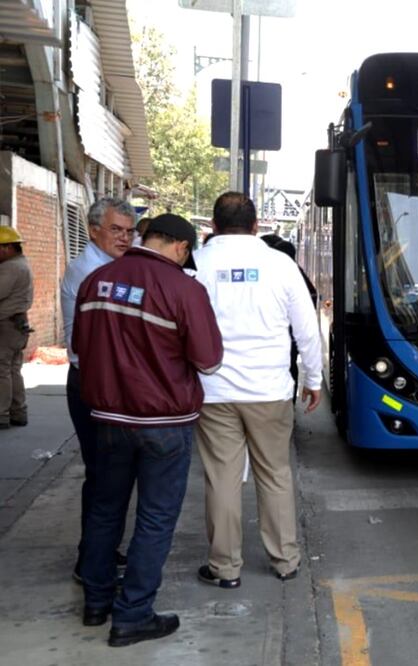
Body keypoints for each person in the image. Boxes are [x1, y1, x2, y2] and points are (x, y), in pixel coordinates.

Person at [72, 213, 223, 647]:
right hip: (164, 424)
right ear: (180, 246)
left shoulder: (96, 281)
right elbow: (209, 361)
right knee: (155, 517)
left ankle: (96, 603)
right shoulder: (183, 288)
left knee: (105, 509)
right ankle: (134, 614)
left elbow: (80, 350)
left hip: (107, 418)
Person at [193, 193, 323, 589]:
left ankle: (225, 567)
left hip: (213, 391)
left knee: (221, 478)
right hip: (269, 390)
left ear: (213, 226)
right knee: (275, 474)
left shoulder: (195, 264)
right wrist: (313, 379)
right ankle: (285, 560)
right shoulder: (280, 264)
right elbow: (306, 328)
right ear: (256, 226)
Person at [60, 196, 137, 583]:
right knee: (104, 474)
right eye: (115, 230)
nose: (125, 239)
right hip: (93, 383)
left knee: (113, 473)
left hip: (112, 382)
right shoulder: (89, 272)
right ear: (93, 231)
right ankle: (91, 561)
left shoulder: (116, 263)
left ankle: (101, 552)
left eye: (129, 231)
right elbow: (84, 345)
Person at [260, 233, 318, 401]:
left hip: (282, 338)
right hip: (288, 339)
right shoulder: (296, 274)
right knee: (290, 366)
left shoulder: (281, 274)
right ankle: (289, 402)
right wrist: (313, 379)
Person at [0, 226, 33, 429]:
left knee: (2, 371)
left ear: (7, 247)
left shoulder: (10, 268)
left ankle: (1, 414)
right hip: (17, 324)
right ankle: (18, 412)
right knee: (13, 370)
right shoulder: (21, 264)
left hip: (7, 325)